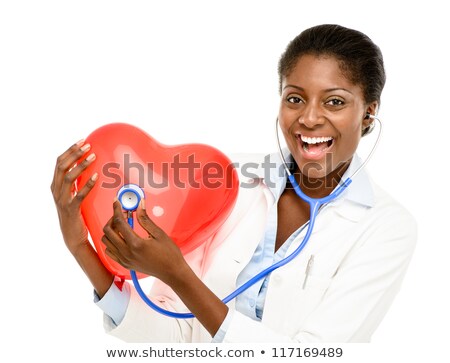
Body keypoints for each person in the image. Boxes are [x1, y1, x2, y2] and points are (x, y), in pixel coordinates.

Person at [51, 24, 417, 342]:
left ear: (368, 112)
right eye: (295, 98)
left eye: (334, 102)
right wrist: (80, 247)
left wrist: (178, 274)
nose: (308, 118)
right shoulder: (231, 186)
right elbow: (177, 333)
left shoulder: (387, 227)